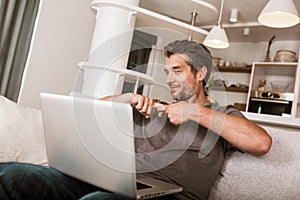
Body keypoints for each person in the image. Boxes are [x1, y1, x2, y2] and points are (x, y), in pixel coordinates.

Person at [0, 39, 272, 200]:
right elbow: (89, 111)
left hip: (170, 196)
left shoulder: (222, 116)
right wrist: (126, 99)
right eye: (167, 71)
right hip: (113, 182)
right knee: (14, 174)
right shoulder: (156, 108)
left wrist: (194, 112)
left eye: (177, 71)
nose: (169, 79)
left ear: (200, 74)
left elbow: (261, 142)